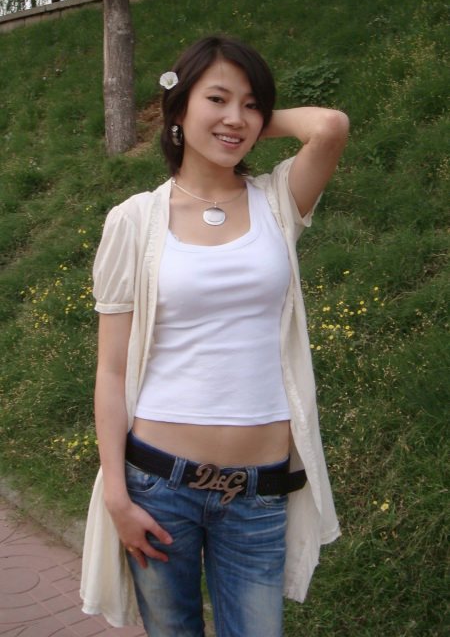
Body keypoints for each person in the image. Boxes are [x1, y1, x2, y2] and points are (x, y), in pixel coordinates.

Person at [80, 35, 349, 637]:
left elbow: (329, 127)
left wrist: (235, 125)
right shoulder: (135, 220)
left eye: (252, 104)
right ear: (177, 108)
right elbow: (112, 370)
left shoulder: (278, 200)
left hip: (259, 490)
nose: (236, 117)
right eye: (218, 99)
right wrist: (118, 497)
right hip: (158, 484)